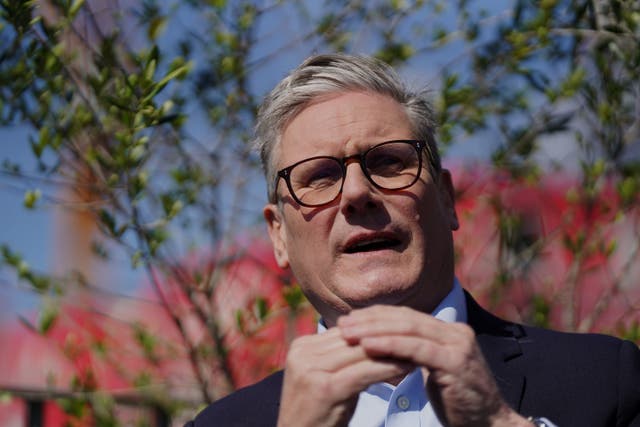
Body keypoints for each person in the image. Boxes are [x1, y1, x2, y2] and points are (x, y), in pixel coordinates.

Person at [185, 54, 640, 427]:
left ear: (446, 199)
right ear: (278, 235)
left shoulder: (606, 379)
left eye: (388, 162)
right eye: (320, 176)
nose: (358, 193)